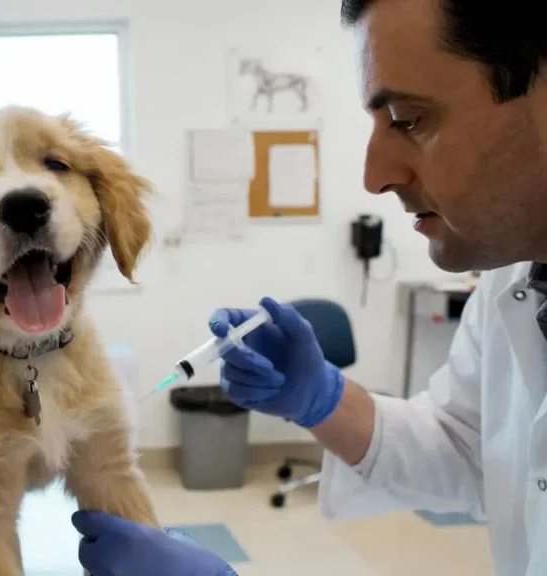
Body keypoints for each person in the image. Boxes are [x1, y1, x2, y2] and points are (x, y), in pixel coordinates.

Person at [74, 0, 547, 575]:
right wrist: (322, 398)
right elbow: (469, 448)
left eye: (409, 119)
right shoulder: (516, 277)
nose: (375, 176)